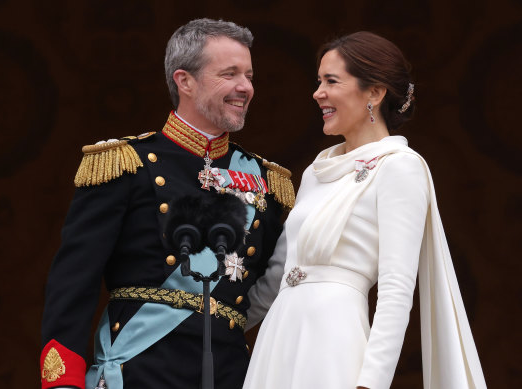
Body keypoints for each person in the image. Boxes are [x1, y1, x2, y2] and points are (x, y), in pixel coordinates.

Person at [39, 18, 294, 389]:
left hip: (228, 375)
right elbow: (72, 284)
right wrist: (63, 382)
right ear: (184, 81)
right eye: (230, 74)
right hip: (139, 371)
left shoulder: (267, 182)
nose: (246, 88)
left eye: (249, 75)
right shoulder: (127, 164)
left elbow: (275, 289)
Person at [243, 32, 487, 389]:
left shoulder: (400, 167)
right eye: (318, 81)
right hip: (278, 339)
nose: (317, 93)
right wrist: (211, 326)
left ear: (374, 92)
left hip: (333, 341)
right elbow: (276, 278)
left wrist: (371, 382)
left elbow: (396, 289)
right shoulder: (315, 172)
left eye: (331, 81)